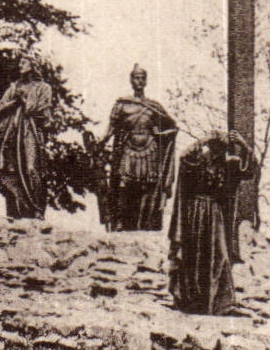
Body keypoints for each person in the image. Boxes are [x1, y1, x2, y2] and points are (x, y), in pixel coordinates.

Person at [168, 131, 253, 314]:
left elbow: (250, 170)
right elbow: (184, 156)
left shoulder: (230, 164)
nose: (219, 151)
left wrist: (243, 144)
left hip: (214, 214)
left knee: (218, 255)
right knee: (194, 256)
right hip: (195, 213)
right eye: (216, 146)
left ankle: (219, 302)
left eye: (222, 147)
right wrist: (204, 139)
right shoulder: (199, 160)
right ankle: (192, 301)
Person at [98, 64, 179, 231]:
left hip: (150, 149)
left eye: (142, 78)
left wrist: (162, 135)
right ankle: (119, 221)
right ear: (131, 80)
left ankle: (146, 222)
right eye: (136, 77)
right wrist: (102, 141)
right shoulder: (122, 104)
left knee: (147, 186)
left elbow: (173, 126)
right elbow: (112, 127)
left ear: (146, 81)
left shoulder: (154, 106)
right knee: (123, 183)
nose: (139, 81)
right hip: (128, 148)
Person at [0, 56, 53, 219]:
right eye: (19, 63)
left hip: (30, 131)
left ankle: (36, 208)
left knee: (31, 168)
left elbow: (44, 111)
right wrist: (14, 103)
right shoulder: (14, 87)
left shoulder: (43, 87)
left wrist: (25, 102)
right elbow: (0, 107)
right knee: (10, 169)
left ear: (33, 66)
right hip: (12, 131)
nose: (20, 65)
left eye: (24, 62)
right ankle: (13, 211)